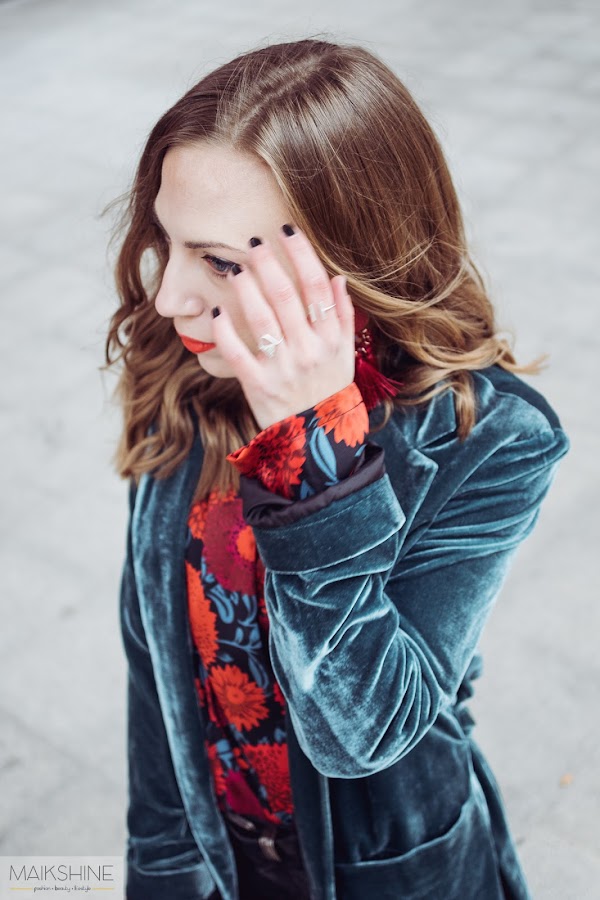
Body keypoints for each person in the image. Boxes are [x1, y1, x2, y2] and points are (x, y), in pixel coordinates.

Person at [105, 37, 569, 900]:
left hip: (391, 872)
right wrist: (160, 870)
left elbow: (361, 735)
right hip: (224, 853)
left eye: (221, 262)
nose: (169, 299)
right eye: (169, 242)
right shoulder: (189, 374)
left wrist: (312, 453)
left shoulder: (491, 437)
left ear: (349, 262)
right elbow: (158, 674)